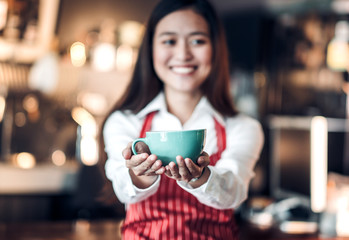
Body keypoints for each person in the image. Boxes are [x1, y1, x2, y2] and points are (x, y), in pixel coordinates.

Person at [101, 0, 264, 239]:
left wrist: (200, 176)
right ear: (150, 50)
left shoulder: (243, 127)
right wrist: (141, 173)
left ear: (216, 49)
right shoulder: (125, 121)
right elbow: (124, 191)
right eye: (169, 41)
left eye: (197, 41)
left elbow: (234, 192)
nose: (183, 54)